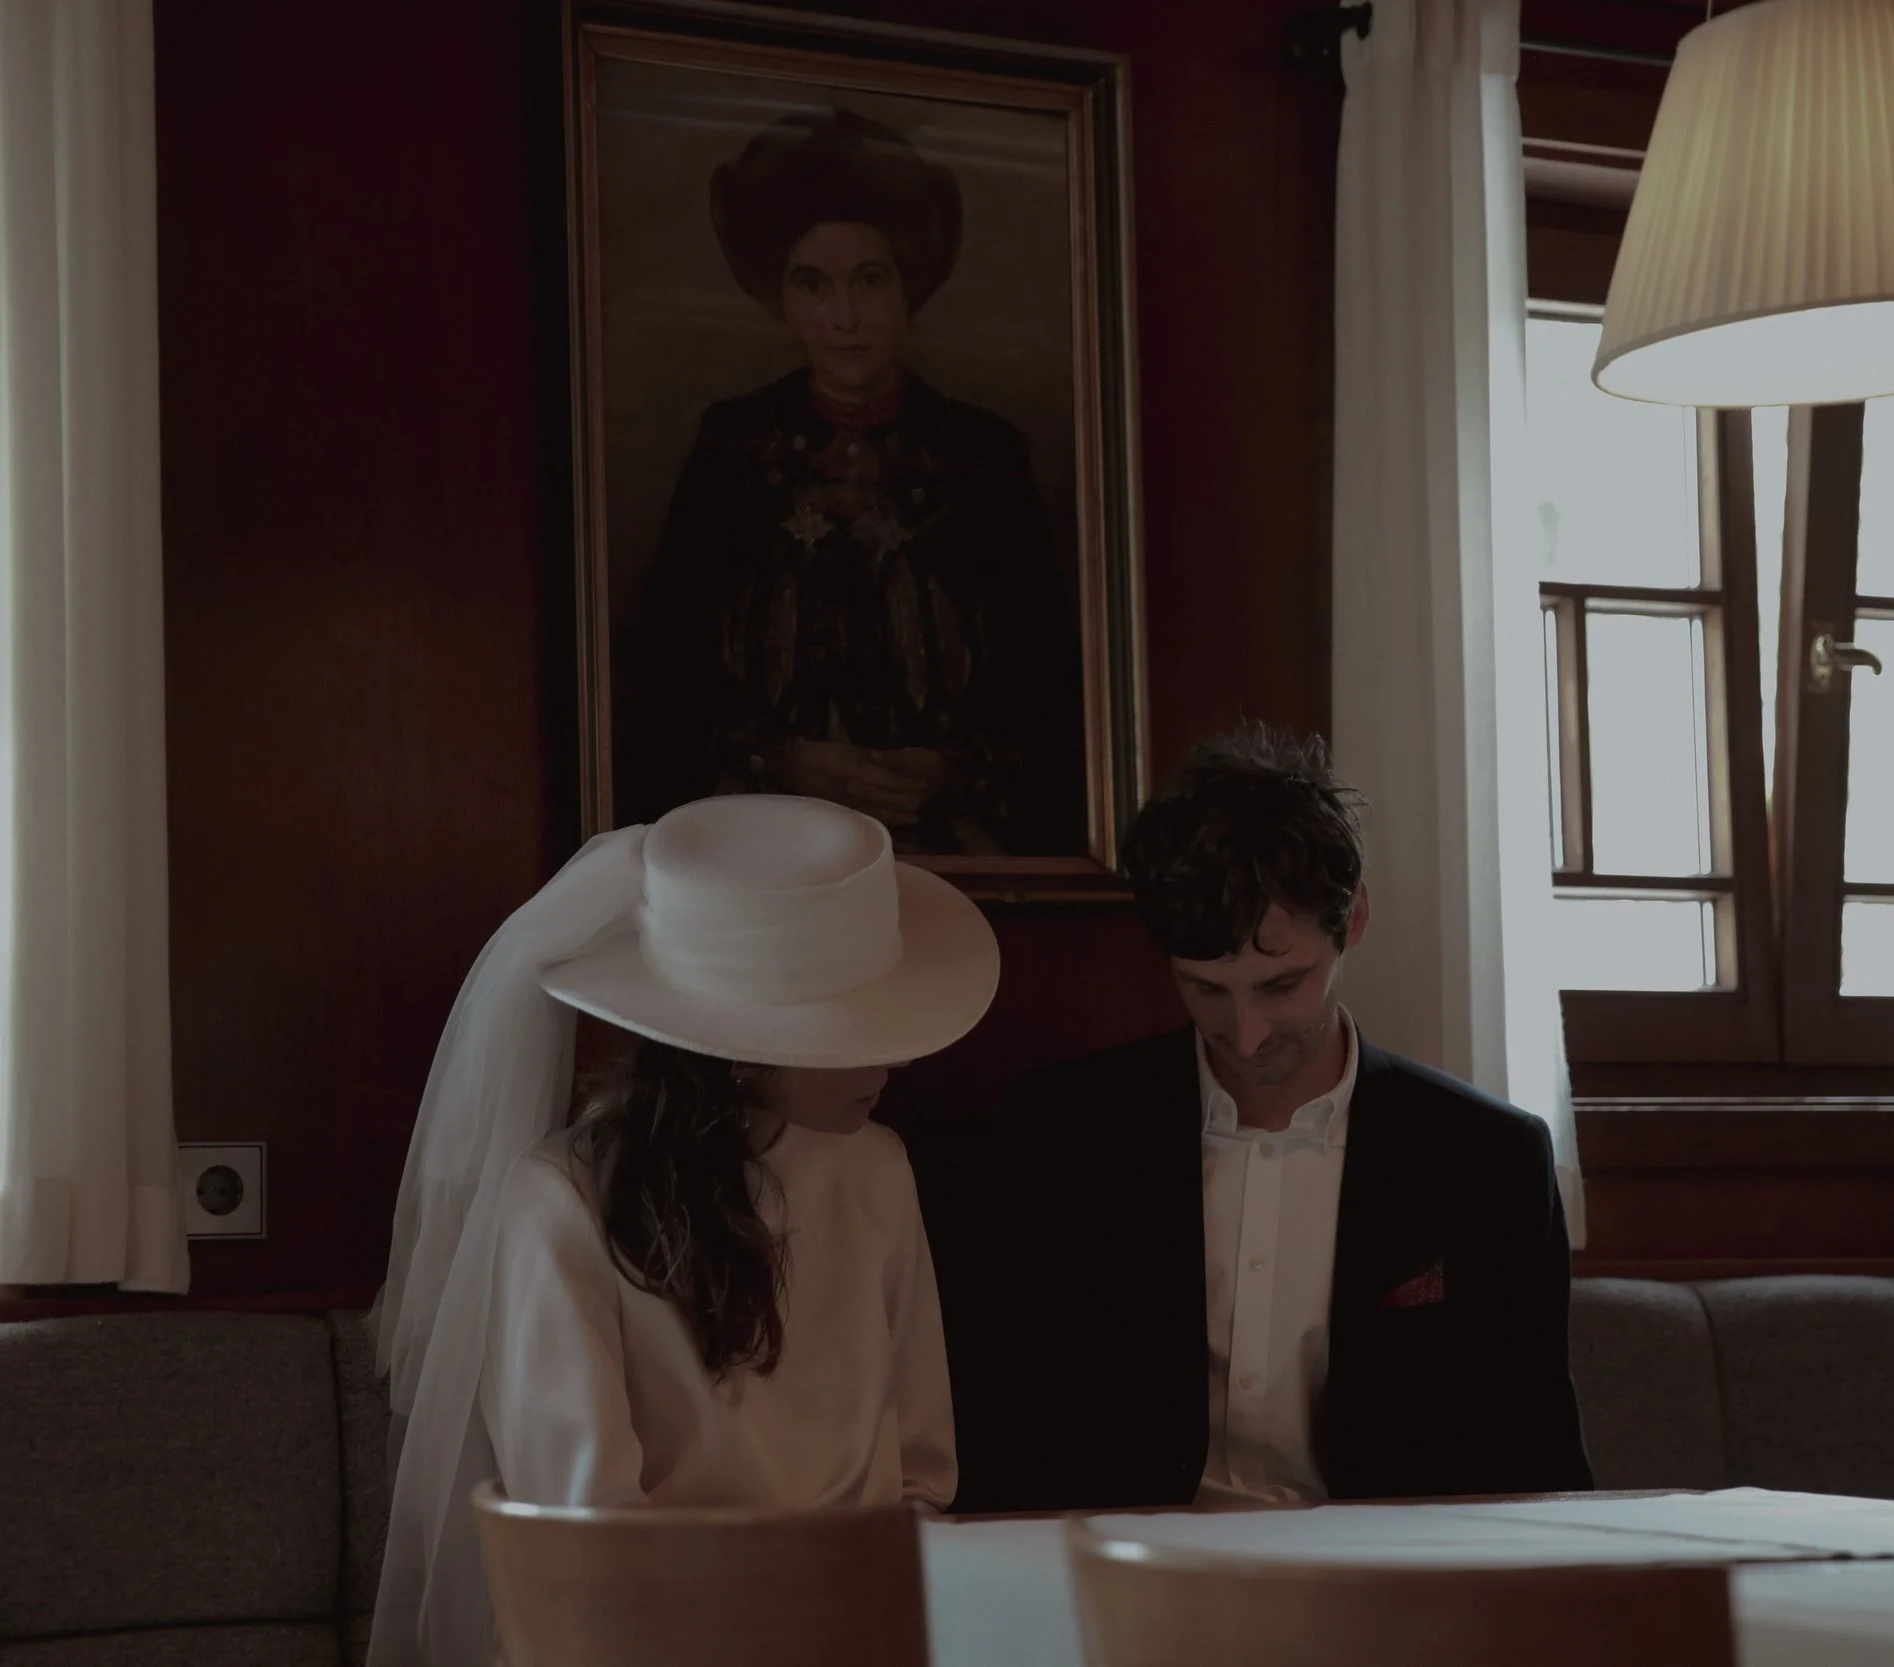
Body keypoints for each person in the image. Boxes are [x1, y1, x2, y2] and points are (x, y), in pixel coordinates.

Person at [368, 793, 998, 1667]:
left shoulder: (877, 1170)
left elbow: (924, 1470)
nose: (890, 1060)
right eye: (854, 1027)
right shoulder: (561, 1199)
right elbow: (585, 1537)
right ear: (741, 1045)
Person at [911, 725, 1590, 1510]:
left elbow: (1540, 1471)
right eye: (1205, 988)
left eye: (1281, 984)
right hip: (1126, 1585)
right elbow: (1003, 1434)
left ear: (1354, 920)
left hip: (1386, 1594)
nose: (1246, 1034)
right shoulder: (1060, 1132)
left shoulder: (1488, 1161)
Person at [625, 107, 1082, 856]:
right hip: (763, 858)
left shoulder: (982, 454)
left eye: (869, 281)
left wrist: (946, 767)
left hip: (955, 860)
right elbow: (668, 681)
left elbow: (1044, 688)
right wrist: (788, 761)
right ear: (782, 299)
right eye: (814, 285)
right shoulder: (731, 447)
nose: (844, 318)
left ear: (910, 288)